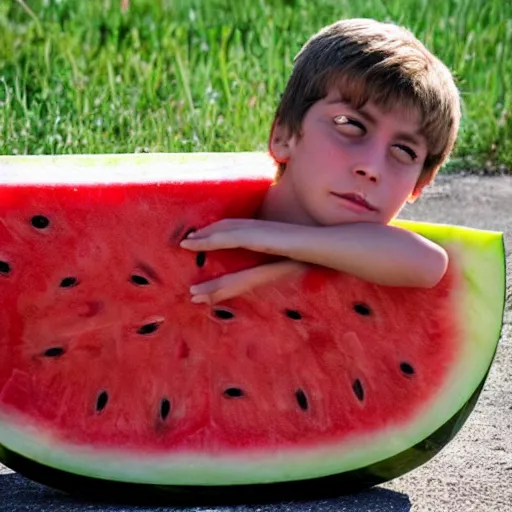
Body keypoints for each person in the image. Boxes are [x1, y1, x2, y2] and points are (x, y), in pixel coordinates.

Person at [180, 18, 461, 305]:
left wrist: (281, 243)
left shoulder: (393, 256)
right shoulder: (200, 216)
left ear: (420, 184)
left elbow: (429, 263)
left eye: (404, 151)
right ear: (284, 135)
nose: (372, 168)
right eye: (349, 124)